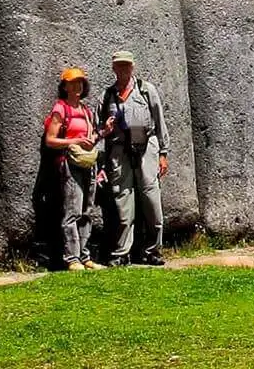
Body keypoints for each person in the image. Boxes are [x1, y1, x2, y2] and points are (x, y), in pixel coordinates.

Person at [99, 50, 170, 267]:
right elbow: (98, 130)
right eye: (119, 65)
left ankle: (152, 250)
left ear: (133, 67)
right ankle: (122, 252)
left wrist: (163, 153)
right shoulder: (107, 95)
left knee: (151, 200)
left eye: (126, 65)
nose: (123, 69)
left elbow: (159, 121)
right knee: (122, 203)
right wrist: (101, 162)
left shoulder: (146, 91)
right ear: (113, 68)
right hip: (119, 151)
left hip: (146, 146)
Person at [43, 67, 105, 271]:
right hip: (69, 164)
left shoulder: (86, 111)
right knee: (73, 210)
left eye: (80, 83)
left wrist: (102, 133)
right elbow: (50, 140)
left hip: (88, 163)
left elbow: (91, 138)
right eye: (72, 83)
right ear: (64, 86)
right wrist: (75, 140)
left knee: (87, 211)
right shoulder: (61, 109)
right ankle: (72, 258)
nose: (77, 86)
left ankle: (85, 256)